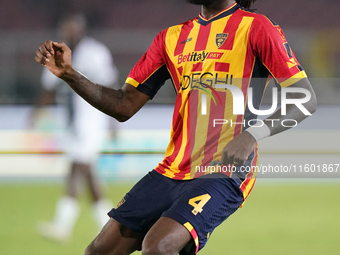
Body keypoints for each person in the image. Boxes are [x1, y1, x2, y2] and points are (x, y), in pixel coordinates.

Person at [35, 0, 317, 254]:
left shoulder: (256, 28)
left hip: (223, 171)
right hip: (171, 170)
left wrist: (251, 135)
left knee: (157, 247)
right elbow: (124, 105)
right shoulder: (171, 38)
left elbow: (305, 99)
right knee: (99, 251)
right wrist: (70, 75)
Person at [34, 13, 119, 243]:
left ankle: (62, 226)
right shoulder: (57, 53)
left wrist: (112, 119)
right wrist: (36, 111)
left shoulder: (96, 52)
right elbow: (49, 86)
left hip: (91, 117)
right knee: (87, 173)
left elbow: (109, 85)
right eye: (66, 28)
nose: (69, 31)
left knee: (78, 167)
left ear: (82, 29)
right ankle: (109, 224)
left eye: (72, 27)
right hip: (69, 119)